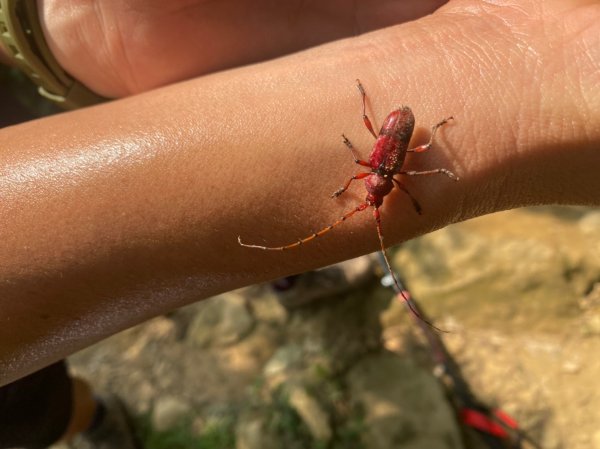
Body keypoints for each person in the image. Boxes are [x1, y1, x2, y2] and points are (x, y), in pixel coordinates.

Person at [0, 0, 598, 447]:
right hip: (399, 121)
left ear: (377, 176)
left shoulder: (384, 166)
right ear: (378, 180)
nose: (373, 191)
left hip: (402, 119)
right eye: (374, 191)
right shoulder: (386, 171)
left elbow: (396, 153)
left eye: (372, 189)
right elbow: (392, 163)